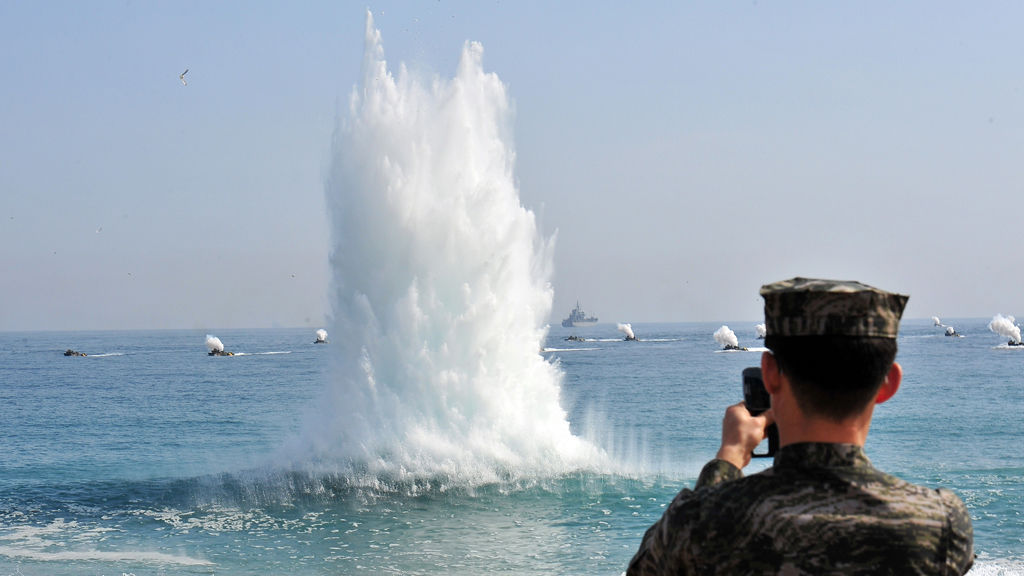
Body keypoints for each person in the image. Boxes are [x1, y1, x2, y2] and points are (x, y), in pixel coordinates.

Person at [627, 277, 974, 575]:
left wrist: (728, 459)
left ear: (769, 374)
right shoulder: (938, 523)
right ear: (889, 384)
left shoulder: (700, 521)